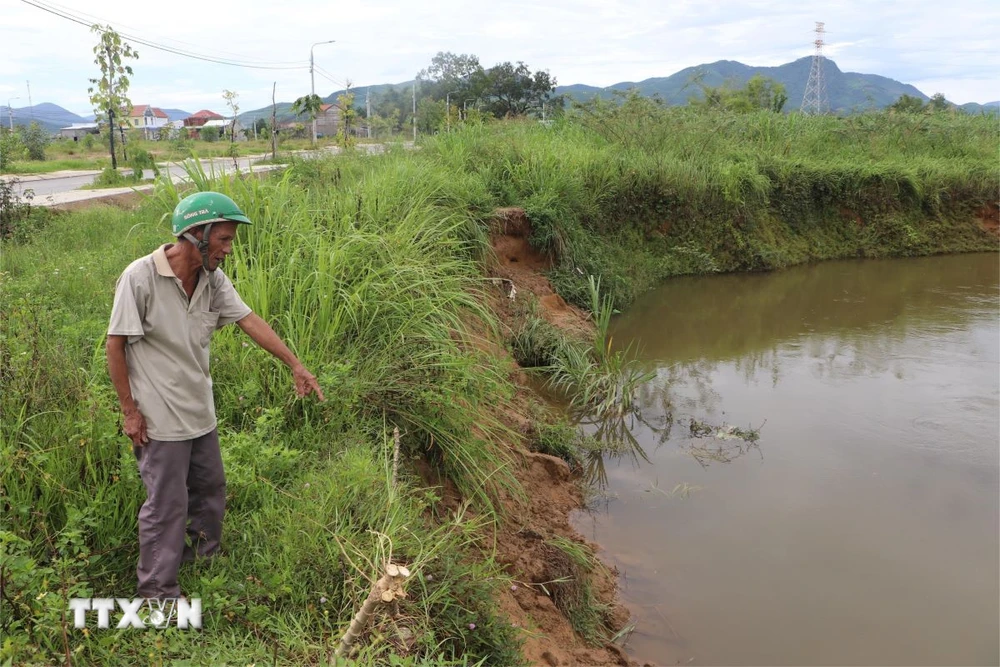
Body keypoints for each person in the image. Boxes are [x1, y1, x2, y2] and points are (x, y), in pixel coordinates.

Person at [106, 191, 325, 600]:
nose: (228, 250)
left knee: (210, 488)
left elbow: (248, 319)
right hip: (159, 417)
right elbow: (115, 345)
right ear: (196, 235)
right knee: (167, 504)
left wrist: (295, 364)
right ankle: (156, 591)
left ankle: (203, 561)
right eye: (223, 240)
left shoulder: (212, 279)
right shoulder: (140, 278)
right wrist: (129, 410)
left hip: (198, 409)